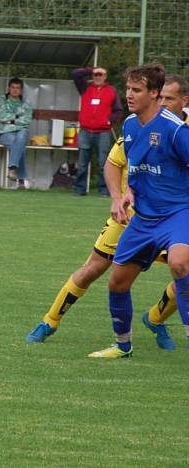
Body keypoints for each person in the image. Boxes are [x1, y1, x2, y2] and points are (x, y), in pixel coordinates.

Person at [26, 135, 176, 349]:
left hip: (167, 223)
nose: (164, 102)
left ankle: (155, 319)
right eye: (163, 98)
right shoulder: (136, 128)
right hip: (126, 220)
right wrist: (116, 198)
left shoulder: (181, 134)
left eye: (169, 98)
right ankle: (49, 322)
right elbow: (112, 164)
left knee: (184, 272)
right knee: (93, 269)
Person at [89, 63, 189, 358]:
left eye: (137, 90)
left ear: (155, 94)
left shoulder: (175, 130)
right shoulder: (131, 126)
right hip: (143, 218)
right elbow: (134, 168)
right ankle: (122, 345)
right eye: (128, 89)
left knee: (180, 262)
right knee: (117, 283)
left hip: (178, 213)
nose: (129, 95)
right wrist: (121, 195)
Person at [70, 66, 124, 196]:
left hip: (103, 131)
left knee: (103, 163)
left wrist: (109, 121)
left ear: (105, 77)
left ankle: (104, 189)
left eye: (101, 74)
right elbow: (75, 74)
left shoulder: (111, 91)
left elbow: (118, 110)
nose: (98, 77)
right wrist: (91, 70)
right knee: (82, 162)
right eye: (96, 74)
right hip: (85, 130)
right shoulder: (85, 87)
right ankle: (80, 189)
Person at [0, 77, 33, 189]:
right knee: (20, 146)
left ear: (21, 90)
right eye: (13, 87)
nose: (15, 90)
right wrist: (18, 118)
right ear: (8, 88)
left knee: (21, 137)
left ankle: (12, 169)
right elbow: (2, 117)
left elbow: (27, 120)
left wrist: (10, 120)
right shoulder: (1, 100)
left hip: (21, 131)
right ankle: (21, 180)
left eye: (18, 88)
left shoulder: (26, 103)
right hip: (5, 133)